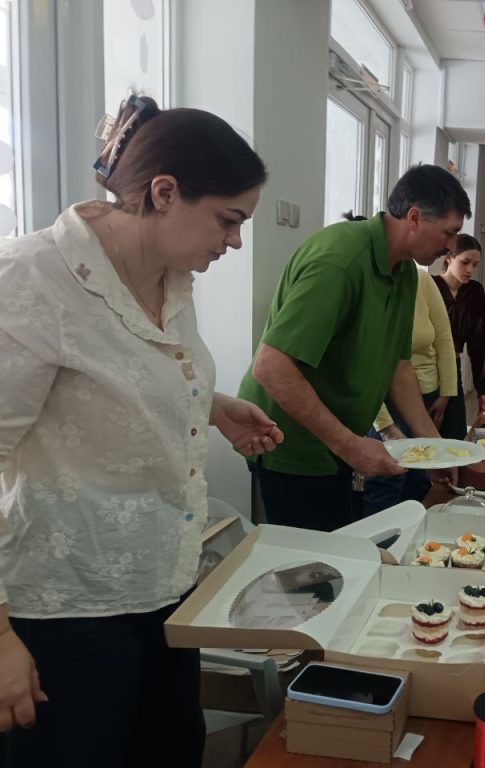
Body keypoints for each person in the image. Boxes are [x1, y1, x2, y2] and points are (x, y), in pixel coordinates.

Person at [0, 95, 280, 768]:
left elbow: (115, 379)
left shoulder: (172, 277)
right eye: (229, 220)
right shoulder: (33, 278)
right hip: (64, 608)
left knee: (172, 751)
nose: (235, 242)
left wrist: (209, 404)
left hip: (166, 583)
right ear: (165, 192)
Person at [238, 165, 471, 531]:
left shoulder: (404, 272)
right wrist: (349, 445)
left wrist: (436, 450)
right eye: (449, 232)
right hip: (289, 441)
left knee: (339, 543)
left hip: (333, 443)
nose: (451, 246)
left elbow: (399, 368)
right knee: (313, 558)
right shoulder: (340, 260)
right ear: (414, 218)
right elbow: (271, 366)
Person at [362, 268, 459, 514]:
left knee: (420, 476)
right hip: (381, 399)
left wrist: (446, 394)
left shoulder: (420, 279)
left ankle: (415, 531)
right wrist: (386, 426)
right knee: (387, 478)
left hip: (424, 397)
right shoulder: (365, 281)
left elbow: (444, 339)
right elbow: (363, 368)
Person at [433, 234, 485, 436]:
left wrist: (482, 389)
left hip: (453, 368)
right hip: (425, 369)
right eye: (465, 262)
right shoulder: (430, 286)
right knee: (425, 432)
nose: (470, 270)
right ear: (449, 257)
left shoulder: (475, 292)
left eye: (475, 265)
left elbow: (479, 342)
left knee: (456, 433)